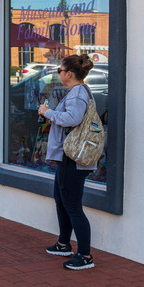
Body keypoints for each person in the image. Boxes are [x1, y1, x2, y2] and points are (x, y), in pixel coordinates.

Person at [38, 54, 97, 270]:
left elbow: (73, 119)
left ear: (69, 74)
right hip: (67, 156)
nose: (59, 74)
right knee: (61, 199)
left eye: (60, 71)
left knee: (72, 205)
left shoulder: (78, 94)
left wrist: (48, 112)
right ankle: (64, 244)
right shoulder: (78, 92)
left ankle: (85, 256)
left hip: (73, 158)